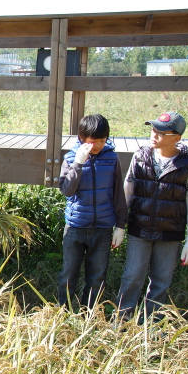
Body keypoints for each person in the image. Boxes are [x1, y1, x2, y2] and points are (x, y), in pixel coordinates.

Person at [116, 111, 188, 323]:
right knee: (132, 277)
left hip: (170, 235)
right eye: (153, 130)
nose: (154, 135)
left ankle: (151, 328)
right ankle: (120, 324)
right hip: (139, 229)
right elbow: (128, 192)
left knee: (161, 282)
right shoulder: (140, 157)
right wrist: (120, 226)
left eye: (161, 132)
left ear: (176, 138)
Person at [57, 114, 128, 310]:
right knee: (68, 274)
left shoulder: (112, 158)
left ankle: (89, 315)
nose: (97, 145)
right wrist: (78, 164)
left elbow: (118, 193)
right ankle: (63, 314)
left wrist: (120, 226)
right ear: (81, 138)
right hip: (75, 226)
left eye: (102, 141)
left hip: (103, 228)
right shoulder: (71, 158)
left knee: (97, 277)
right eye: (93, 141)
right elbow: (67, 190)